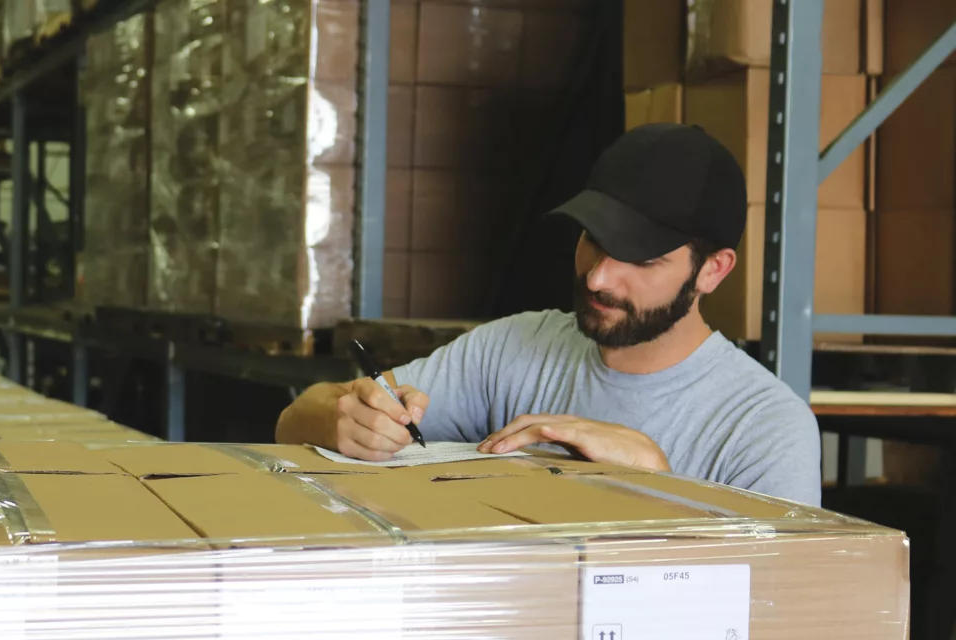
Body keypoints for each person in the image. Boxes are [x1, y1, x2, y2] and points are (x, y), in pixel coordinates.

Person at [276, 123, 822, 507]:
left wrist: (660, 486)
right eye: (593, 240)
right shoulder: (511, 350)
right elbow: (293, 422)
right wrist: (340, 417)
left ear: (713, 271)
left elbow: (784, 623)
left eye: (640, 258)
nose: (599, 277)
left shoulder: (765, 429)